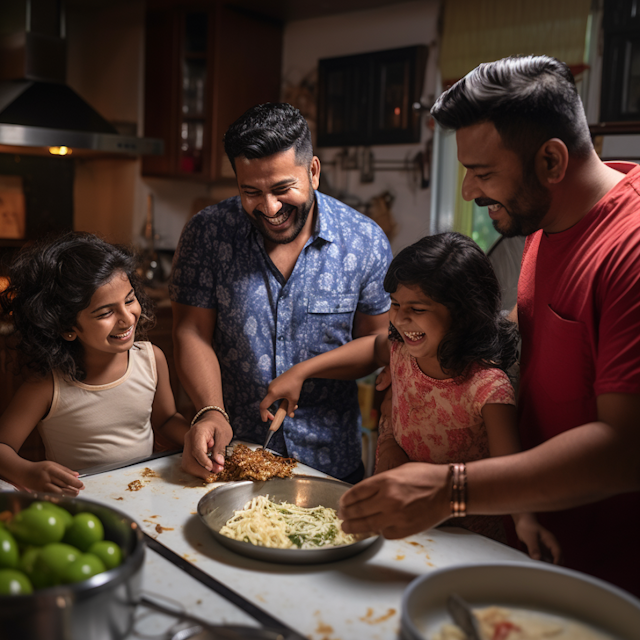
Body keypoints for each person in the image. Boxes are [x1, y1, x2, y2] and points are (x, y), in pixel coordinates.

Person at [337, 55, 640, 596]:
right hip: (537, 540)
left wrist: (450, 490)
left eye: (483, 172)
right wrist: (424, 356)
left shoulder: (630, 250)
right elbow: (538, 339)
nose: (468, 192)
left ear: (551, 160)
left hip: (611, 571)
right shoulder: (545, 223)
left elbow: (626, 448)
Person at [262, 232, 561, 561]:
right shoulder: (402, 352)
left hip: (462, 542)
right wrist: (300, 372)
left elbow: (509, 473)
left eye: (416, 308)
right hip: (393, 523)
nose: (401, 319)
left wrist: (526, 521)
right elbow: (374, 347)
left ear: (462, 314)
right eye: (395, 304)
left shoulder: (489, 389)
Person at [170, 103, 392, 483]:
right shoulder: (208, 233)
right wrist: (211, 410)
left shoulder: (364, 240)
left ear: (314, 172)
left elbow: (379, 342)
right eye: (250, 192)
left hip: (330, 463)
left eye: (282, 189)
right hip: (233, 457)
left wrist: (303, 374)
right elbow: (191, 331)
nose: (269, 207)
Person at [0, 232, 189, 495]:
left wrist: (192, 436)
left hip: (143, 494)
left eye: (130, 299)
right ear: (67, 327)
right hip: (81, 504)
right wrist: (27, 472)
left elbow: (167, 419)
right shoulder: (48, 385)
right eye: (106, 312)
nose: (127, 318)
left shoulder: (151, 358)